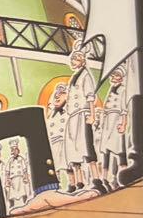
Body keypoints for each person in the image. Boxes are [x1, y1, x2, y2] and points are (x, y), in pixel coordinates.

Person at [63, 48, 106, 193]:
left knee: (87, 147)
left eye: (74, 59)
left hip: (83, 114)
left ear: (81, 61)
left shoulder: (86, 75)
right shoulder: (73, 77)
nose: (72, 62)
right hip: (73, 116)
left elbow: (90, 96)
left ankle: (96, 179)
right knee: (73, 149)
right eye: (72, 59)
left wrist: (92, 115)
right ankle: (79, 183)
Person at [100, 65, 129, 190]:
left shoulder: (123, 90)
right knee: (106, 151)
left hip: (116, 120)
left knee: (120, 150)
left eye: (116, 75)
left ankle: (123, 176)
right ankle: (104, 178)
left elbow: (124, 109)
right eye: (112, 75)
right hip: (108, 122)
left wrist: (123, 123)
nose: (113, 77)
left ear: (121, 77)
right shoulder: (111, 89)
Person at [44, 82, 69, 190]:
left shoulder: (68, 112)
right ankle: (58, 186)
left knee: (67, 165)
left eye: (61, 93)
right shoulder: (51, 114)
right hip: (53, 141)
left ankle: (72, 184)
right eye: (57, 93)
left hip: (64, 141)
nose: (58, 96)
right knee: (55, 166)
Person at [2, 139, 32, 211]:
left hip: (20, 177)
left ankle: (25, 202)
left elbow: (24, 169)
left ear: (18, 150)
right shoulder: (10, 160)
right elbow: (7, 171)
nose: (14, 151)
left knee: (22, 191)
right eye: (12, 150)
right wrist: (7, 179)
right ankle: (12, 205)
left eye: (15, 149)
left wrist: (25, 176)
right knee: (12, 193)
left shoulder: (21, 159)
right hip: (13, 179)